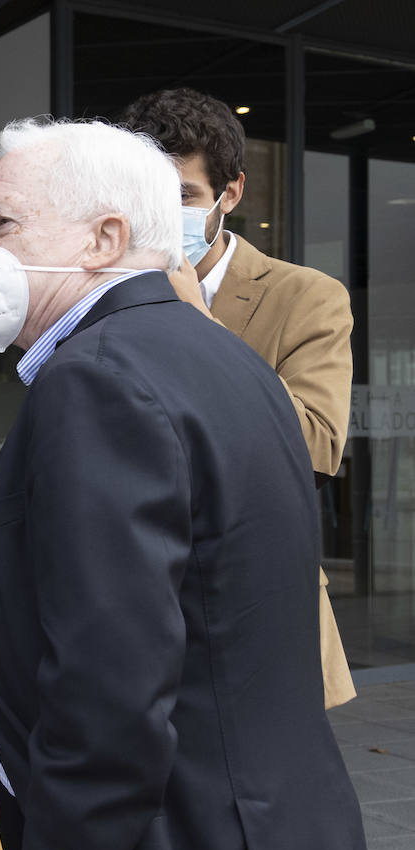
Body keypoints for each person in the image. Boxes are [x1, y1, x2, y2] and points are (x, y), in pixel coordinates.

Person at [0, 117, 377, 850]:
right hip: (275, 849)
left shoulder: (96, 378)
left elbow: (112, 691)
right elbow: (190, 597)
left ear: (105, 239)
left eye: (3, 221)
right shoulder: (222, 356)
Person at [121, 86, 357, 709]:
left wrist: (199, 325)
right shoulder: (109, 296)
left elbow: (317, 446)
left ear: (231, 194)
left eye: (182, 196)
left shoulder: (306, 296)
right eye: (147, 196)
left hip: (259, 613)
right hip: (133, 616)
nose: (161, 215)